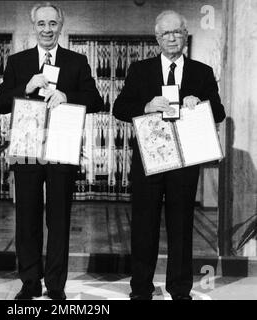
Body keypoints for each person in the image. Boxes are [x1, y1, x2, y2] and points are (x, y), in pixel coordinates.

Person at [113, 10, 226, 300]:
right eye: (166, 33)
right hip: (149, 161)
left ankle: (180, 289)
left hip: (185, 163)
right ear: (157, 38)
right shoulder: (140, 70)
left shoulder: (202, 72)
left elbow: (220, 112)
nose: (172, 38)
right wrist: (147, 105)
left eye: (177, 32)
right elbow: (120, 108)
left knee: (181, 226)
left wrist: (199, 102)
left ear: (185, 35)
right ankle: (140, 288)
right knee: (143, 226)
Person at [0, 2, 103, 300]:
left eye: (52, 23)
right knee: (26, 217)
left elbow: (96, 100)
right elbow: (1, 103)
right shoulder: (18, 62)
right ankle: (30, 281)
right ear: (34, 26)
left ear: (61, 25)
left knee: (59, 218)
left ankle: (56, 285)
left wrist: (67, 96)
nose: (47, 29)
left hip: (61, 146)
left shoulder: (76, 61)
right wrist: (26, 88)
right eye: (41, 23)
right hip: (26, 148)